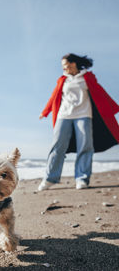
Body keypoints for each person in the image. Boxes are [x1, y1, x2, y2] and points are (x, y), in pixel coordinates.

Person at [38, 53, 119, 191]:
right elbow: (54, 97)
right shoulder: (63, 80)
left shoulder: (87, 77)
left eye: (65, 64)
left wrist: (113, 107)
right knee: (57, 146)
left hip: (84, 115)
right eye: (63, 65)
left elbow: (100, 93)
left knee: (85, 146)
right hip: (64, 115)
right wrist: (45, 112)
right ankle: (50, 179)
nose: (64, 67)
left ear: (73, 63)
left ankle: (82, 178)